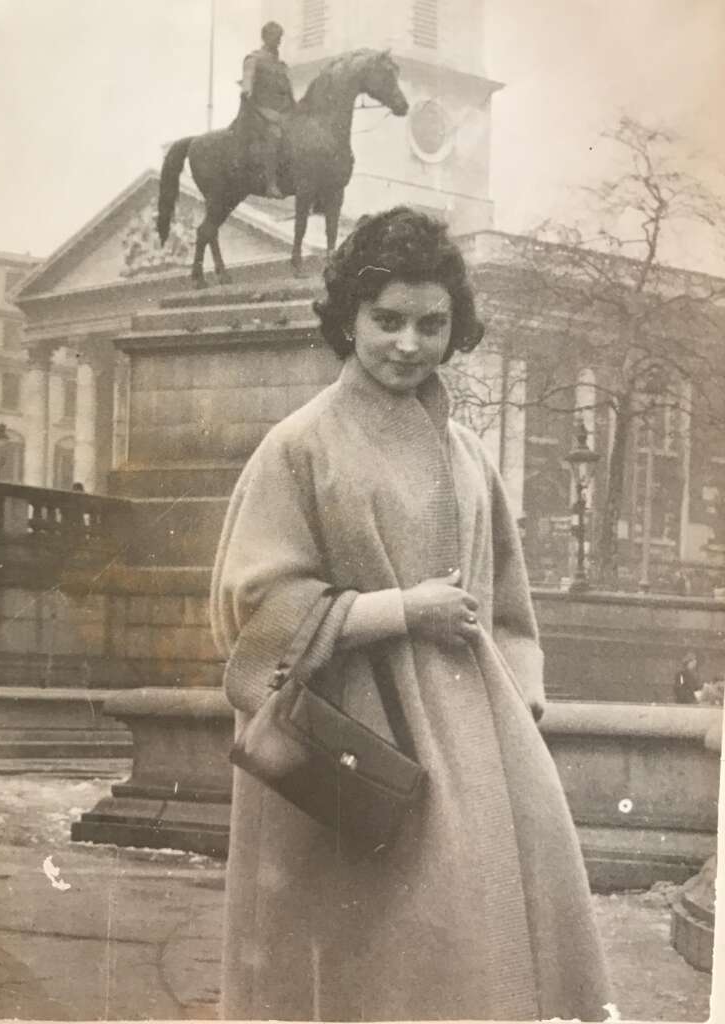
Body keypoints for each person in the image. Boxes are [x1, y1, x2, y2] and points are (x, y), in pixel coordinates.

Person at [210, 207, 611, 1021]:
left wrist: (518, 700)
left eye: (433, 324)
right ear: (348, 322)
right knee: (370, 953)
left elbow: (509, 600)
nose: (408, 343)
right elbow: (249, 611)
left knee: (473, 952)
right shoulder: (299, 445)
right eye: (386, 320)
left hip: (475, 744)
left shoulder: (468, 454)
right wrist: (401, 610)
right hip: (345, 741)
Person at [239, 21, 295, 199]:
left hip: (283, 114)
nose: (279, 41)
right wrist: (246, 89)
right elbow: (248, 76)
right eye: (276, 37)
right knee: (274, 134)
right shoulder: (254, 58)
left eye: (280, 37)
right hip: (261, 112)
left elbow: (289, 92)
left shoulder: (282, 65)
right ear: (265, 37)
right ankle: (271, 183)